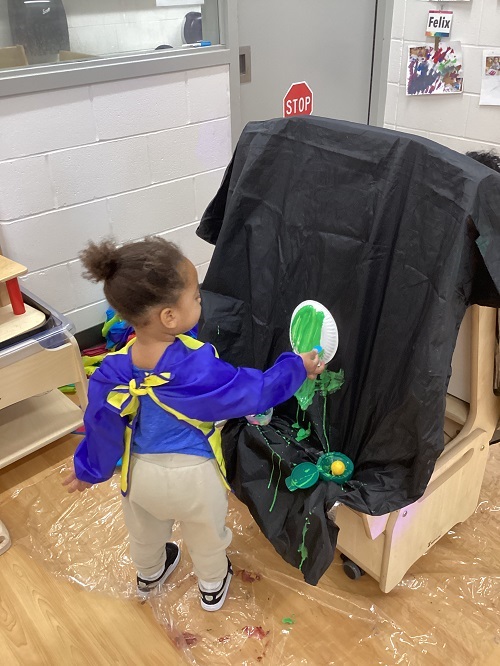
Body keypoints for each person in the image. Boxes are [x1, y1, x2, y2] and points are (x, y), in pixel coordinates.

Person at [63, 237, 325, 611]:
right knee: (205, 534)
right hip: (194, 477)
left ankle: (150, 573)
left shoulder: (111, 370)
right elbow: (256, 391)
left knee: (145, 532)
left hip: (139, 476)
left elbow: (101, 428)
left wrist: (87, 469)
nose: (201, 300)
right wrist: (297, 365)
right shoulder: (198, 367)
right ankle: (213, 585)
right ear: (169, 317)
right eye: (196, 296)